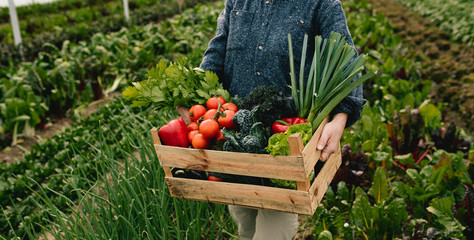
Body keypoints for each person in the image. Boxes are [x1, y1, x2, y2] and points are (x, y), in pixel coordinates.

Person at [199, 0, 365, 239]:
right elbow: (218, 49)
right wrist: (196, 94)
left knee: (273, 232)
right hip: (235, 137)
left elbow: (346, 60)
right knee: (245, 224)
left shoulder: (321, 4)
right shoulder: (236, 2)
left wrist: (339, 120)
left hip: (283, 145)